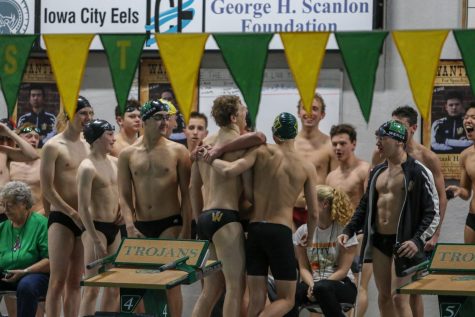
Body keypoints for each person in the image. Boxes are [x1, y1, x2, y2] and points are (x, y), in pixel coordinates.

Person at [204, 112, 319, 316]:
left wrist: (209, 157)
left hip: (256, 230)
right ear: (295, 135)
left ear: (274, 134)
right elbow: (314, 214)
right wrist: (309, 242)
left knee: (256, 298)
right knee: (287, 299)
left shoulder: (261, 152)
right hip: (280, 231)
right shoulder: (306, 167)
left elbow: (232, 172)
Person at [338, 120, 440, 317]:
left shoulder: (417, 171)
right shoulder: (378, 171)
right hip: (379, 243)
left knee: (399, 298)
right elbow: (365, 205)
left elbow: (433, 211)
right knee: (384, 297)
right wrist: (349, 229)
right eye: (378, 138)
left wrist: (418, 239)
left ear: (399, 142)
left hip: (404, 243)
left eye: (383, 138)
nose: (378, 143)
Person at [369, 106, 448, 317]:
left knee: (411, 293)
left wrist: (434, 234)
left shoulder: (426, 157)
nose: (395, 129)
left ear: (412, 128)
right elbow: (371, 191)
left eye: (401, 126)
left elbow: (440, 198)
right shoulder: (381, 153)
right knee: (387, 294)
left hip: (414, 234)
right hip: (384, 236)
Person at [118, 99, 191, 317]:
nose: (164, 122)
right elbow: (123, 194)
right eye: (158, 117)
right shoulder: (127, 155)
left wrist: (187, 228)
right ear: (145, 121)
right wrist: (129, 225)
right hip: (140, 225)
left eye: (166, 117)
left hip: (169, 223)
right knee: (132, 281)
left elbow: (187, 195)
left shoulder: (178, 151)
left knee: (171, 280)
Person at [190, 95, 248, 317]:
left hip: (205, 217)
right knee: (235, 287)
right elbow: (250, 191)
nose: (245, 114)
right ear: (234, 117)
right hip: (226, 217)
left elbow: (192, 188)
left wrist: (198, 221)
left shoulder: (204, 145)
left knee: (210, 289)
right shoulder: (243, 145)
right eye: (242, 111)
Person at [42, 96, 94, 317]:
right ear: (68, 115)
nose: (88, 118)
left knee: (75, 281)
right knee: (57, 281)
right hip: (63, 218)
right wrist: (71, 213)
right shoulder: (53, 146)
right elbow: (47, 189)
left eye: (91, 113)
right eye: (83, 113)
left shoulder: (89, 145)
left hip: (83, 219)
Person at [78, 119, 121, 316]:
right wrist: (95, 238)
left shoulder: (115, 162)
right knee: (92, 287)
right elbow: (83, 206)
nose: (114, 138)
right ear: (96, 139)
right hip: (95, 229)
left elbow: (119, 193)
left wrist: (122, 210)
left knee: (114, 287)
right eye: (109, 134)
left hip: (115, 227)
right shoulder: (87, 167)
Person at [325, 123, 369, 316]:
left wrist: (364, 234)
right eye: (334, 144)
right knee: (339, 284)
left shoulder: (364, 170)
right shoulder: (331, 177)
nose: (338, 148)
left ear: (353, 144)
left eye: (342, 143)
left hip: (359, 235)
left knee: (359, 284)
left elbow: (370, 206)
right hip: (338, 236)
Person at [293, 185, 358, 317]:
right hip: (313, 283)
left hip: (341, 284)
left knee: (322, 288)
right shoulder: (303, 231)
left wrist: (317, 288)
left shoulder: (344, 231)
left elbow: (343, 271)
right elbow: (303, 268)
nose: (306, 208)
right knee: (290, 293)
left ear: (325, 204)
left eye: (310, 203)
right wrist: (312, 286)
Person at [0, 181, 49, 317]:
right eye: (3, 205)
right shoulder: (2, 227)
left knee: (27, 286)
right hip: (7, 273)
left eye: (10, 205)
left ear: (24, 204)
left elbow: (50, 261)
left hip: (35, 274)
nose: (6, 210)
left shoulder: (41, 224)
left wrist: (25, 271)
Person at [294, 93, 337, 228]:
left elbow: (335, 182)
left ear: (322, 114)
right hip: (291, 210)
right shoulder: (288, 144)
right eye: (304, 108)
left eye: (314, 108)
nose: (309, 112)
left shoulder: (330, 145)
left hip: (318, 211)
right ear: (299, 113)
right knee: (293, 249)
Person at [446, 102, 475, 244]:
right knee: (469, 265)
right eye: (466, 117)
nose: (468, 120)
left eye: (473, 117)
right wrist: (458, 190)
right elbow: (466, 192)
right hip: (473, 218)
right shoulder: (465, 155)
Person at [10, 123, 46, 216]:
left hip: (37, 216)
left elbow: (52, 195)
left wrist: (37, 217)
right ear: (18, 139)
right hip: (9, 217)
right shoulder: (9, 164)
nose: (33, 140)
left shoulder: (44, 165)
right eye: (29, 136)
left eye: (36, 137)